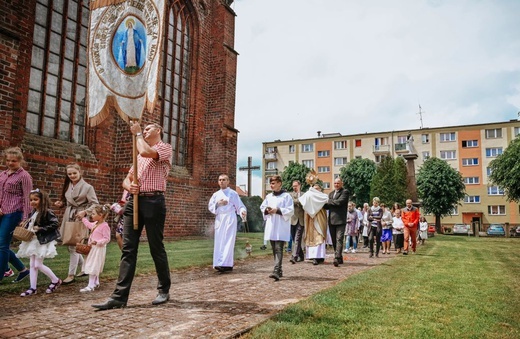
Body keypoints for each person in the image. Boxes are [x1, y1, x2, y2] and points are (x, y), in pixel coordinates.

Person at [93, 122, 172, 310]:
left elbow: (146, 152)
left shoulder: (164, 148)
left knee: (156, 247)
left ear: (159, 130)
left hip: (154, 202)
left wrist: (137, 134)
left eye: (148, 129)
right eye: (142, 129)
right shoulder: (138, 155)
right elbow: (126, 180)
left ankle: (164, 290)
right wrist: (130, 187)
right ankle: (119, 297)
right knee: (128, 249)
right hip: (133, 202)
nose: (144, 131)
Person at [54, 163, 98, 284]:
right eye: (69, 174)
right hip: (69, 216)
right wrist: (61, 204)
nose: (72, 175)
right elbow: (67, 201)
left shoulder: (88, 187)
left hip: (80, 217)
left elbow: (95, 203)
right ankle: (84, 268)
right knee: (71, 244)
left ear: (80, 172)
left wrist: (85, 212)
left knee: (74, 246)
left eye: (74, 173)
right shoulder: (67, 185)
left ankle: (71, 274)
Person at [17, 189, 61, 296]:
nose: (33, 202)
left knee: (38, 264)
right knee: (32, 264)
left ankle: (55, 280)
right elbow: (31, 224)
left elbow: (55, 224)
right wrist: (25, 224)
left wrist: (41, 228)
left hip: (41, 241)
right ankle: (32, 288)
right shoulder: (33, 212)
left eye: (35, 199)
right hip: (33, 240)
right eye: (31, 200)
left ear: (42, 200)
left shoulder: (47, 212)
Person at [0, 147, 32, 283]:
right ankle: (23, 270)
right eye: (8, 160)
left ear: (20, 161)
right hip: (1, 212)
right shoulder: (3, 174)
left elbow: (27, 198)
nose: (10, 163)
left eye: (13, 161)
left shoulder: (24, 176)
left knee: (2, 245)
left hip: (13, 213)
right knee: (2, 245)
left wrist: (25, 218)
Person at [208, 174, 247, 273]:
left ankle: (225, 264)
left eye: (224, 180)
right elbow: (210, 206)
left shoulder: (233, 193)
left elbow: (240, 205)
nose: (221, 181)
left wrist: (242, 211)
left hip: (230, 217)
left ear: (228, 181)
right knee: (219, 241)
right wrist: (218, 204)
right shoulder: (216, 194)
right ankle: (220, 263)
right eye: (220, 180)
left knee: (228, 240)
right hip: (220, 218)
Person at [260, 175, 294, 281]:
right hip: (271, 224)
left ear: (279, 183)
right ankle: (279, 270)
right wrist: (267, 210)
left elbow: (290, 210)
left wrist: (278, 210)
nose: (271, 185)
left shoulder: (286, 196)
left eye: (273, 183)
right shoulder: (269, 196)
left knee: (279, 247)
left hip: (280, 224)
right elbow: (262, 207)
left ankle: (276, 270)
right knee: (274, 248)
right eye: (270, 183)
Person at [76, 204, 111, 293]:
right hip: (93, 248)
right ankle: (95, 282)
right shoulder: (96, 224)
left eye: (93, 214)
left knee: (93, 265)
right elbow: (89, 225)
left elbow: (107, 238)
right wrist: (83, 218)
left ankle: (90, 286)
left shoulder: (105, 226)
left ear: (101, 215)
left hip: (98, 249)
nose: (91, 215)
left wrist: (97, 242)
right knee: (93, 264)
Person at [300, 182, 328, 265]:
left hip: (319, 219)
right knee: (311, 236)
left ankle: (320, 256)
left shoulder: (323, 196)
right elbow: (302, 201)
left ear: (320, 189)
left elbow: (326, 202)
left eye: (317, 189)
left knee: (320, 236)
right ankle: (313, 256)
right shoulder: (308, 195)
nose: (315, 190)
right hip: (310, 220)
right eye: (314, 188)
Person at [324, 178, 349, 267]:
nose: (336, 185)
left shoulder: (344, 192)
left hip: (340, 220)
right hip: (331, 220)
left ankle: (337, 258)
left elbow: (339, 202)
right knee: (334, 240)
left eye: (338, 183)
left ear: (341, 183)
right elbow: (327, 206)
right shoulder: (330, 194)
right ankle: (339, 257)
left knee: (339, 239)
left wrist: (328, 201)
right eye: (335, 183)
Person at [289, 180, 305, 264]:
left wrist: (299, 201)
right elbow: (291, 202)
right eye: (293, 186)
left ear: (299, 185)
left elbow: (305, 203)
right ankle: (301, 255)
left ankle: (294, 256)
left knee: (297, 238)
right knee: (294, 238)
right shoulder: (290, 195)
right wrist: (300, 201)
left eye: (296, 186)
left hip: (301, 220)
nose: (294, 187)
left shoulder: (304, 194)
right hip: (292, 219)